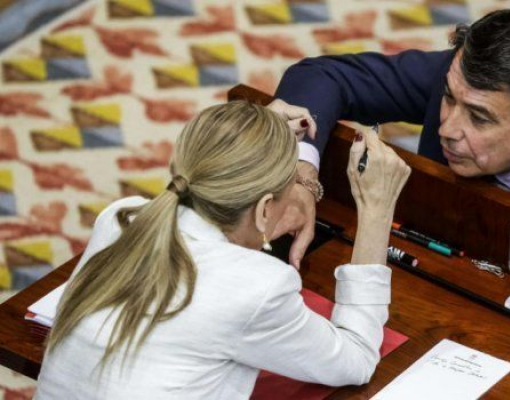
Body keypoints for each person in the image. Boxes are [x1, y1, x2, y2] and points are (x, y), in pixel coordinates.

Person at [35, 101, 411, 399]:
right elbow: (356, 359)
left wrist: (247, 138)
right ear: (264, 210)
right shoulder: (258, 287)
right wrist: (377, 210)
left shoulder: (121, 217)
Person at [269, 6, 510, 261]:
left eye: (480, 118)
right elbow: (322, 77)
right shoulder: (467, 78)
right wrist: (302, 174)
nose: (448, 129)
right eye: (449, 99)